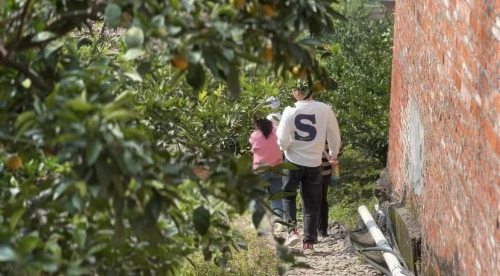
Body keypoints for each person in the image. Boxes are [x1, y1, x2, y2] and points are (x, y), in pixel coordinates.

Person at [276, 85, 341, 255]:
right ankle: (309, 244)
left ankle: (292, 231)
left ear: (298, 91)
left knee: (288, 195)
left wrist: (286, 148)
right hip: (314, 163)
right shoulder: (325, 109)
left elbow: (282, 138)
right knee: (312, 204)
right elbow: (334, 135)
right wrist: (333, 154)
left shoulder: (290, 110)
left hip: (292, 161)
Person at [249, 117, 286, 232]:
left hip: (261, 169)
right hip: (277, 168)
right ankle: (280, 223)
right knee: (277, 195)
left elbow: (253, 150)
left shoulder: (254, 135)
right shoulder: (278, 130)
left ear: (257, 124)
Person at [318, 140, 344, 239]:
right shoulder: (333, 129)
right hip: (326, 171)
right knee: (322, 199)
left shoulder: (309, 126)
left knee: (309, 200)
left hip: (309, 168)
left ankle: (310, 231)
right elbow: (340, 151)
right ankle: (322, 230)